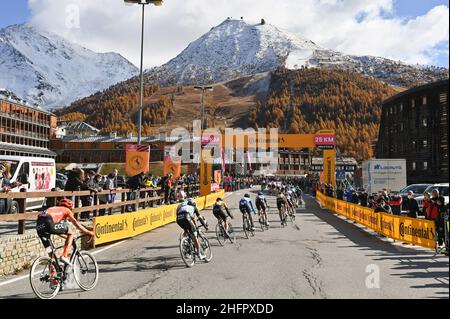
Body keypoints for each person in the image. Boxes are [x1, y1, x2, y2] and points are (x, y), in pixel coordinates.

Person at [36, 199, 94, 266]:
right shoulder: (66, 210)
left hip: (39, 226)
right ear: (69, 207)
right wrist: (88, 232)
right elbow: (76, 224)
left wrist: (67, 238)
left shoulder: (53, 208)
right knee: (71, 233)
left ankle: (52, 272)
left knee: (51, 254)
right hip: (48, 222)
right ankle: (65, 256)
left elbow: (56, 230)